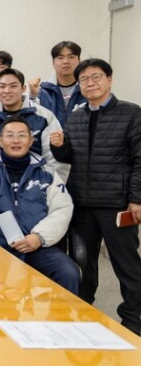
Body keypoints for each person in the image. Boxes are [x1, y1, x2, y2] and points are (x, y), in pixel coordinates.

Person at [51, 58, 141, 334]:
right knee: (83, 263)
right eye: (84, 80)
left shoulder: (131, 113)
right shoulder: (76, 116)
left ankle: (133, 321)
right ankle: (84, 312)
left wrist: (136, 198)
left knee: (127, 266)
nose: (90, 83)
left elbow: (139, 160)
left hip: (116, 204)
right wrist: (59, 147)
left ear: (109, 80)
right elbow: (70, 158)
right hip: (82, 204)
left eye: (96, 77)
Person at [0, 116, 79, 294]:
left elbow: (62, 209)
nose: (16, 140)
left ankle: (62, 313)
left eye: (21, 135)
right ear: (0, 141)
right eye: (10, 135)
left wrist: (39, 237)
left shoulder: (47, 172)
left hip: (36, 246)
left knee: (67, 272)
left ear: (31, 140)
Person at [0, 68, 69, 181]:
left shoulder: (44, 117)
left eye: (13, 86)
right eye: (2, 86)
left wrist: (50, 184)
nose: (7, 91)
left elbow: (54, 158)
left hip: (35, 183)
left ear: (23, 88)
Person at [31, 41, 86, 126]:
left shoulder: (87, 89)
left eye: (71, 57)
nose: (66, 61)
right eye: (60, 58)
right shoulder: (42, 92)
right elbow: (33, 121)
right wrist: (33, 97)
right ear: (53, 63)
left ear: (79, 61)